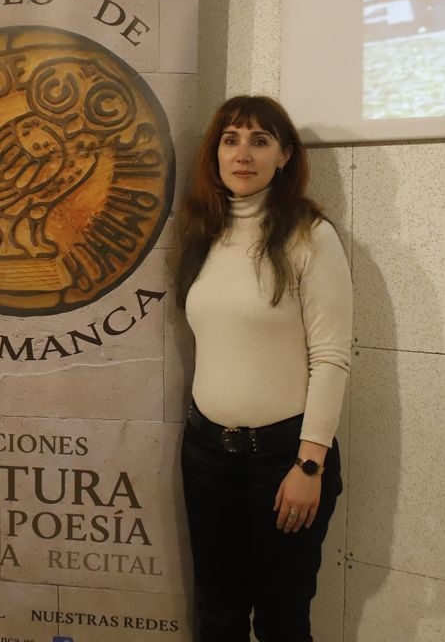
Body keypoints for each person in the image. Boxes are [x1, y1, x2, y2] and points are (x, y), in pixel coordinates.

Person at [174, 95, 352, 642]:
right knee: (218, 616)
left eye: (260, 140)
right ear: (215, 154)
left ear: (285, 156)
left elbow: (331, 357)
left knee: (280, 622)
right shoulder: (203, 233)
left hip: (285, 462)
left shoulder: (309, 235)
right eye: (230, 140)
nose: (243, 153)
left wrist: (310, 466)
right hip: (206, 457)